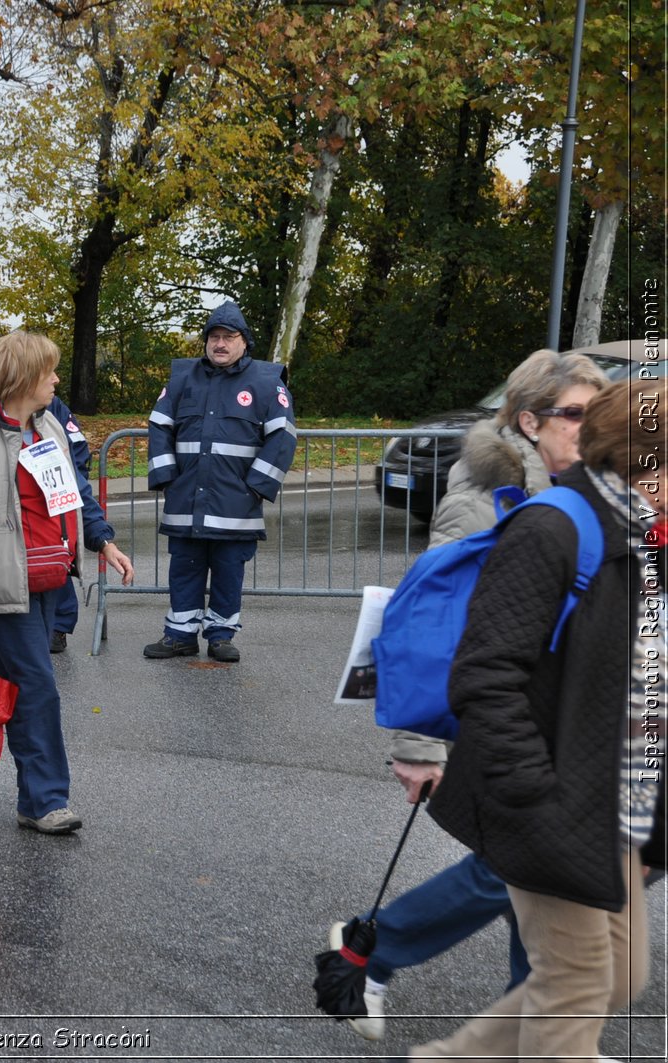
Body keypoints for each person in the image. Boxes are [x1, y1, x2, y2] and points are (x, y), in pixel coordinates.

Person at [334, 347, 609, 1039]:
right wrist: (420, 747)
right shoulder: (482, 501)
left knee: (539, 881)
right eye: (575, 413)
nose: (592, 425)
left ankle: (543, 1033)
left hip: (566, 725)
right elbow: (437, 627)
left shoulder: (593, 492)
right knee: (523, 872)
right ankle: (375, 953)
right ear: (528, 420)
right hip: (504, 720)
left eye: (598, 412)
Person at [408, 376, 662, 1060]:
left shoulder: (645, 539)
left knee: (619, 975)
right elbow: (484, 675)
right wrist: (538, 800)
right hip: (553, 804)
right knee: (576, 980)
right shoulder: (553, 528)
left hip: (615, 805)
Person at [0, 331, 134, 833]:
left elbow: (75, 492)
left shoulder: (51, 429)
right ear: (23, 378)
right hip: (2, 590)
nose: (57, 379)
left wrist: (102, 540)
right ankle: (43, 801)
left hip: (48, 582)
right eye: (49, 372)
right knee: (38, 688)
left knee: (12, 686)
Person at [144, 300, 295, 662]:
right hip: (187, 501)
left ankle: (221, 636)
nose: (220, 344)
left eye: (229, 337)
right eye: (214, 337)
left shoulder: (266, 382)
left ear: (245, 342)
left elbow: (283, 435)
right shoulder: (183, 379)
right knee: (184, 568)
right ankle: (179, 634)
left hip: (235, 505)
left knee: (229, 572)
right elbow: (160, 425)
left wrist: (257, 486)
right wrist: (166, 477)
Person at [45, 395, 91, 655]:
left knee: (57, 556)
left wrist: (72, 482)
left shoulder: (54, 406)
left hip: (55, 496)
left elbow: (78, 447)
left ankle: (59, 626)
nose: (55, 381)